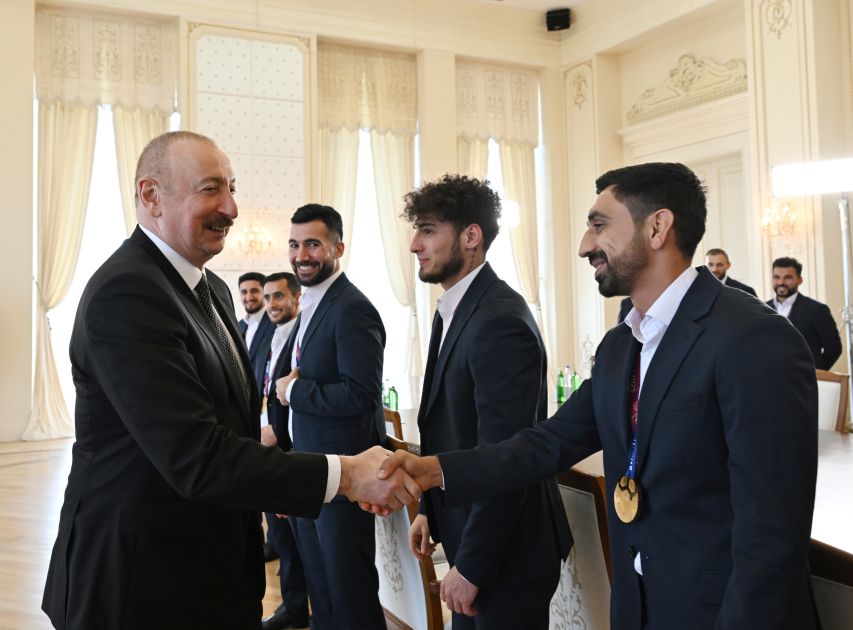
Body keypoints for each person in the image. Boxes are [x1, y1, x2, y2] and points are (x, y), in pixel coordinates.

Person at [377, 163, 819, 630]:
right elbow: (544, 444)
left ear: (657, 228)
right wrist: (436, 470)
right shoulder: (620, 346)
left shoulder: (754, 338)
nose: (585, 245)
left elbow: (771, 534)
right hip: (637, 607)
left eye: (599, 225)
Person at [41, 131, 418, 630]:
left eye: (232, 188)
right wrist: (344, 475)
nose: (232, 208)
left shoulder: (213, 289)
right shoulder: (127, 292)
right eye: (211, 189)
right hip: (143, 583)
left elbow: (233, 426)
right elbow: (197, 455)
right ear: (152, 196)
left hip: (212, 574)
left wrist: (282, 480)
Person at [403, 174, 571, 628]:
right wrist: (430, 510)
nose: (415, 245)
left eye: (427, 230)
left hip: (508, 555)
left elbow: (506, 457)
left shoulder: (499, 318)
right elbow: (450, 432)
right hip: (473, 537)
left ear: (471, 236)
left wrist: (474, 566)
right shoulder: (457, 307)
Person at [269, 203, 387, 629]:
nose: (301, 255)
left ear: (338, 248)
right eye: (294, 244)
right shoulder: (312, 305)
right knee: (322, 594)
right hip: (310, 472)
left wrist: (294, 391)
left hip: (345, 478)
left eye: (313, 244)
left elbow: (361, 395)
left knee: (350, 597)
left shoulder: (352, 308)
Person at [258, 272, 310, 630]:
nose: (271, 304)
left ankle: (299, 608)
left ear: (296, 298)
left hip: (291, 450)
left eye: (278, 296)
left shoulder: (302, 335)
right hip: (267, 449)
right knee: (281, 539)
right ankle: (293, 607)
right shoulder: (271, 336)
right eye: (268, 298)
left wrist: (278, 434)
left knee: (295, 541)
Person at [767, 256, 842, 370]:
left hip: (804, 377)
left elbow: (834, 348)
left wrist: (815, 371)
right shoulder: (762, 308)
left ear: (800, 280)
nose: (781, 282)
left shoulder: (817, 310)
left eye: (788, 278)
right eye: (776, 277)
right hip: (770, 375)